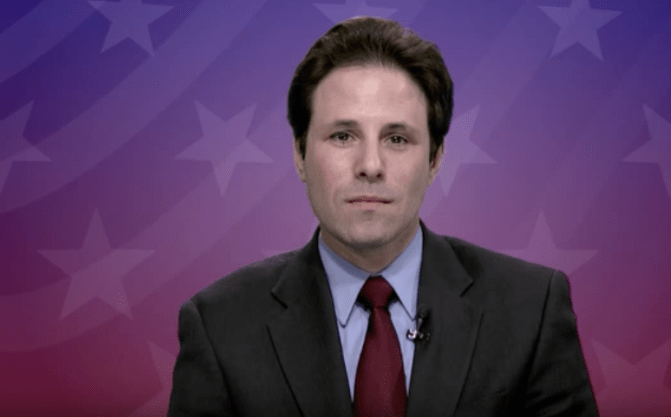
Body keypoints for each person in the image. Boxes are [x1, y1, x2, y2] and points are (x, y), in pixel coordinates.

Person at [168, 16, 598, 416]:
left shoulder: (532, 309)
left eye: (396, 139)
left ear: (434, 159)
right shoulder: (219, 325)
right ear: (299, 154)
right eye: (343, 136)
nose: (370, 165)